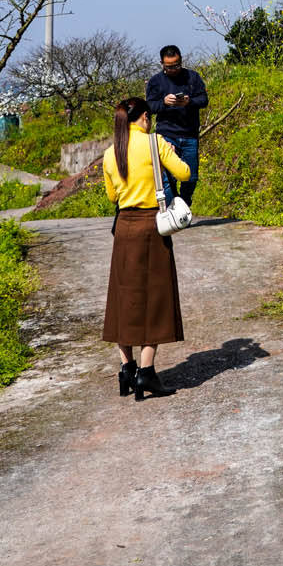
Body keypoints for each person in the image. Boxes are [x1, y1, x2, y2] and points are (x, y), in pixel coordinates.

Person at [102, 96, 191, 400]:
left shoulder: (110, 152)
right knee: (155, 298)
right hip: (150, 227)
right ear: (142, 118)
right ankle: (147, 373)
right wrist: (171, 153)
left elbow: (112, 196)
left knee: (123, 299)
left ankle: (126, 369)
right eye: (148, 117)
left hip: (124, 228)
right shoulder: (154, 143)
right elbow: (184, 174)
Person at [145, 45, 208, 206]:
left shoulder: (193, 77)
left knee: (191, 176)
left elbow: (204, 100)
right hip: (167, 135)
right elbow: (150, 107)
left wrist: (189, 102)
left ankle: (185, 205)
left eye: (177, 64)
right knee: (167, 177)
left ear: (181, 60)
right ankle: (173, 206)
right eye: (169, 66)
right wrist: (164, 103)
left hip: (189, 134)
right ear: (162, 64)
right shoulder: (155, 82)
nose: (174, 69)